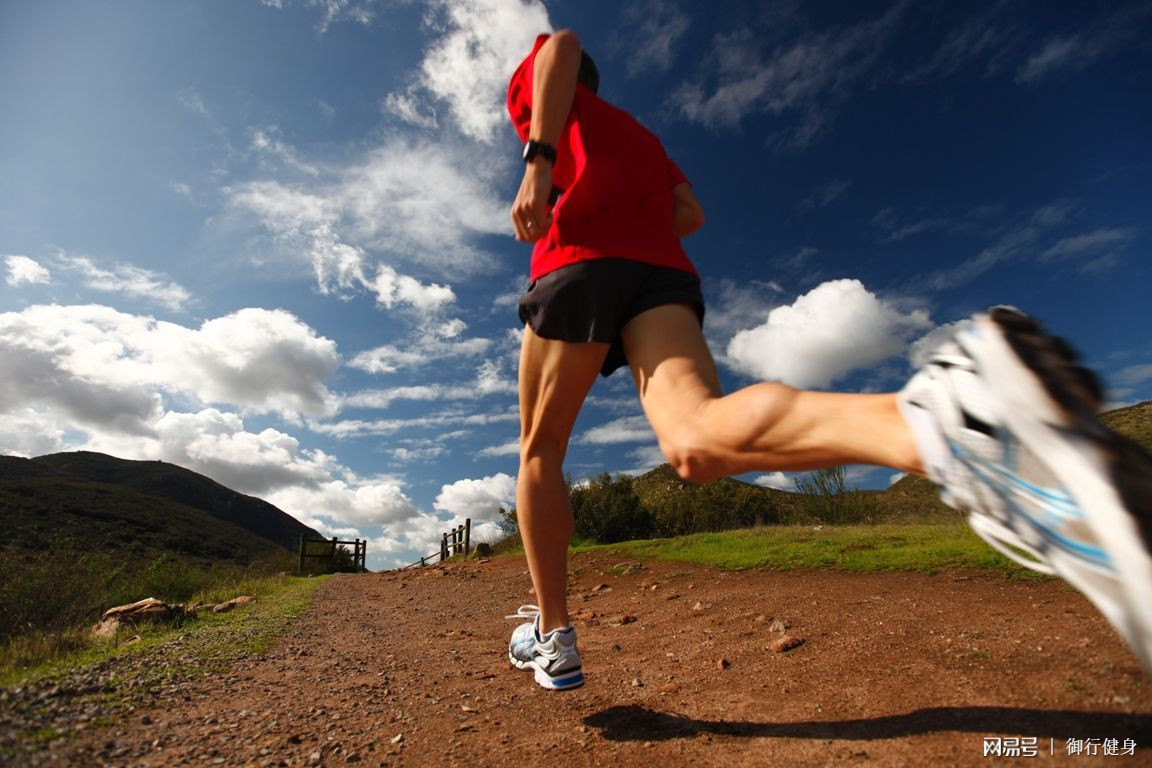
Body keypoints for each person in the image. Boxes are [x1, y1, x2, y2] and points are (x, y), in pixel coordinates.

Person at [503, 29, 1152, 691]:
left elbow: (559, 45)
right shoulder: (643, 136)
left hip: (579, 252)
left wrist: (541, 160)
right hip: (662, 275)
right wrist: (634, 215)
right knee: (696, 438)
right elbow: (688, 213)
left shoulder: (546, 88)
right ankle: (947, 421)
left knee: (541, 448)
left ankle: (552, 635)